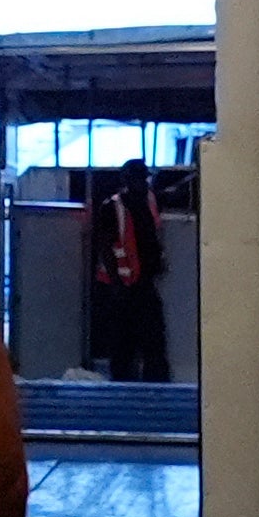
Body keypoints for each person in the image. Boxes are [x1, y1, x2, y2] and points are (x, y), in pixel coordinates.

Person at [88, 157, 170, 382]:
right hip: (122, 288)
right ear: (127, 181)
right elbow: (105, 247)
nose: (143, 184)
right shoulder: (113, 208)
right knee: (123, 345)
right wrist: (116, 284)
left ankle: (155, 386)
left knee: (153, 341)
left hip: (143, 283)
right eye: (139, 179)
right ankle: (125, 386)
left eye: (145, 179)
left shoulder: (149, 201)